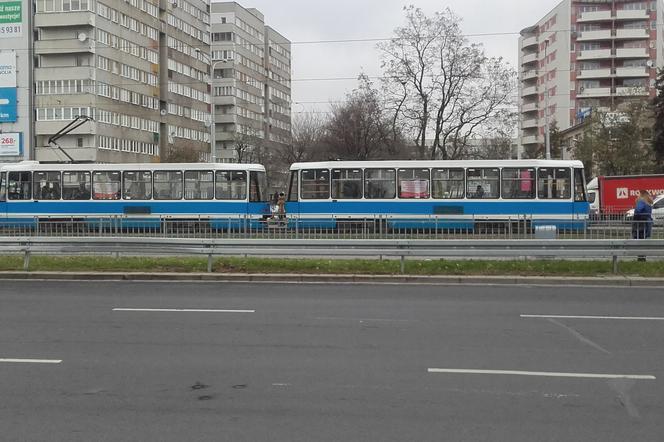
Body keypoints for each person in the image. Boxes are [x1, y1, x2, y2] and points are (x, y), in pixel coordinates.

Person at [632, 190, 653, 261]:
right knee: (643, 240)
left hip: (640, 225)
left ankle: (640, 258)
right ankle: (643, 257)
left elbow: (638, 210)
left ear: (642, 195)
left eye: (639, 194)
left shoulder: (641, 202)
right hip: (646, 224)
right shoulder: (648, 203)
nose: (637, 196)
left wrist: (636, 217)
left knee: (639, 241)